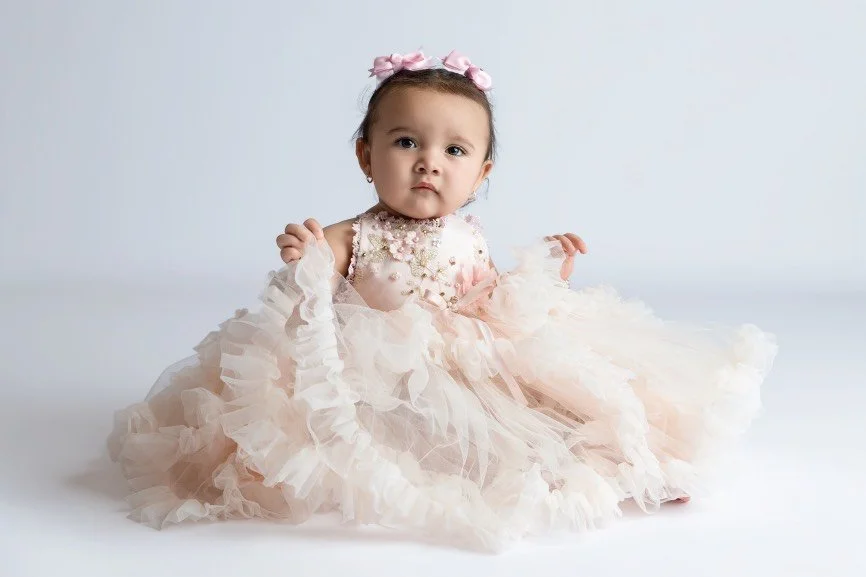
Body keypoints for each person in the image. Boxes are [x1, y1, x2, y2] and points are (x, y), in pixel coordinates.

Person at [109, 49, 777, 551]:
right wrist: (305, 247)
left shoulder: (468, 233)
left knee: (560, 402)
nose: (429, 161)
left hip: (470, 355)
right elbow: (312, 272)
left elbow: (487, 298)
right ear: (366, 156)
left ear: (482, 173)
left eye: (454, 149)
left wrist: (545, 274)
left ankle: (643, 465)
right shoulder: (356, 233)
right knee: (430, 441)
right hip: (386, 377)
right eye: (406, 142)